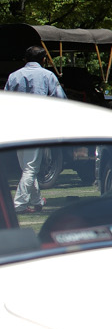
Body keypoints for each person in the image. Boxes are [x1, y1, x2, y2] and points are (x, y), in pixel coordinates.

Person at [6, 45, 66, 213]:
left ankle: (37, 200)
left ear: (25, 59)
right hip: (38, 126)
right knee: (31, 168)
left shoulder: (14, 76)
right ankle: (19, 204)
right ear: (44, 60)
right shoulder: (48, 76)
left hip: (16, 127)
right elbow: (60, 100)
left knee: (26, 167)